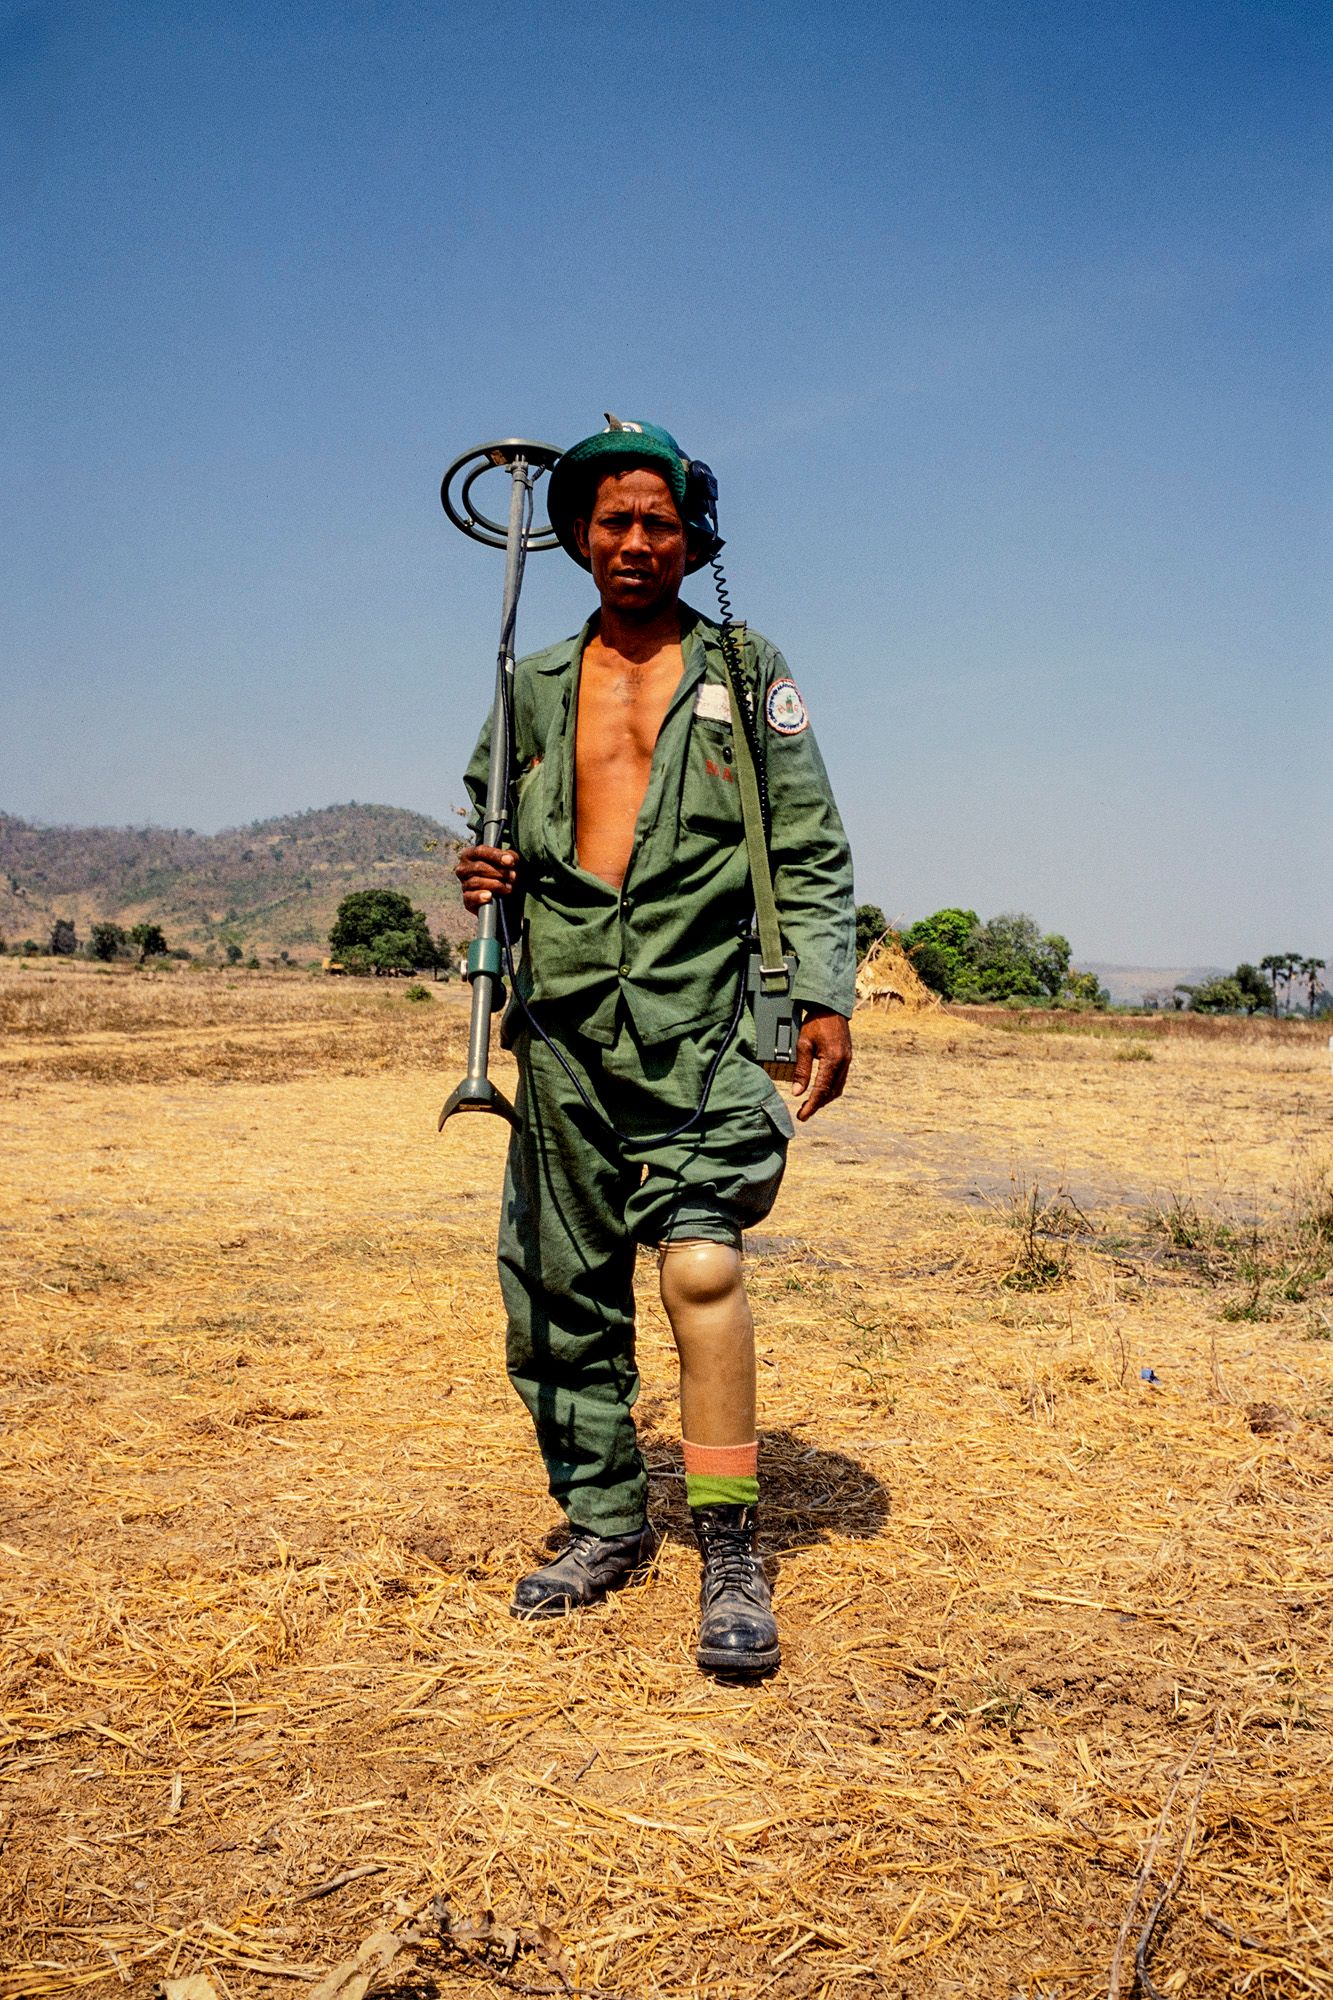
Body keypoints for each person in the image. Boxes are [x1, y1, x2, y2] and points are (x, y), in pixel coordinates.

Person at [456, 416, 855, 1675]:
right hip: (564, 1022)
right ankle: (607, 1521)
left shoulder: (745, 665)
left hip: (705, 1020)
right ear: (578, 535)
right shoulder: (529, 681)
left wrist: (823, 996)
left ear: (694, 536)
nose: (637, 542)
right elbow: (491, 816)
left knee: (700, 1269)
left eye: (660, 522)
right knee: (559, 1292)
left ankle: (729, 1543)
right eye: (615, 521)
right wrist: (488, 871)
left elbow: (809, 844)